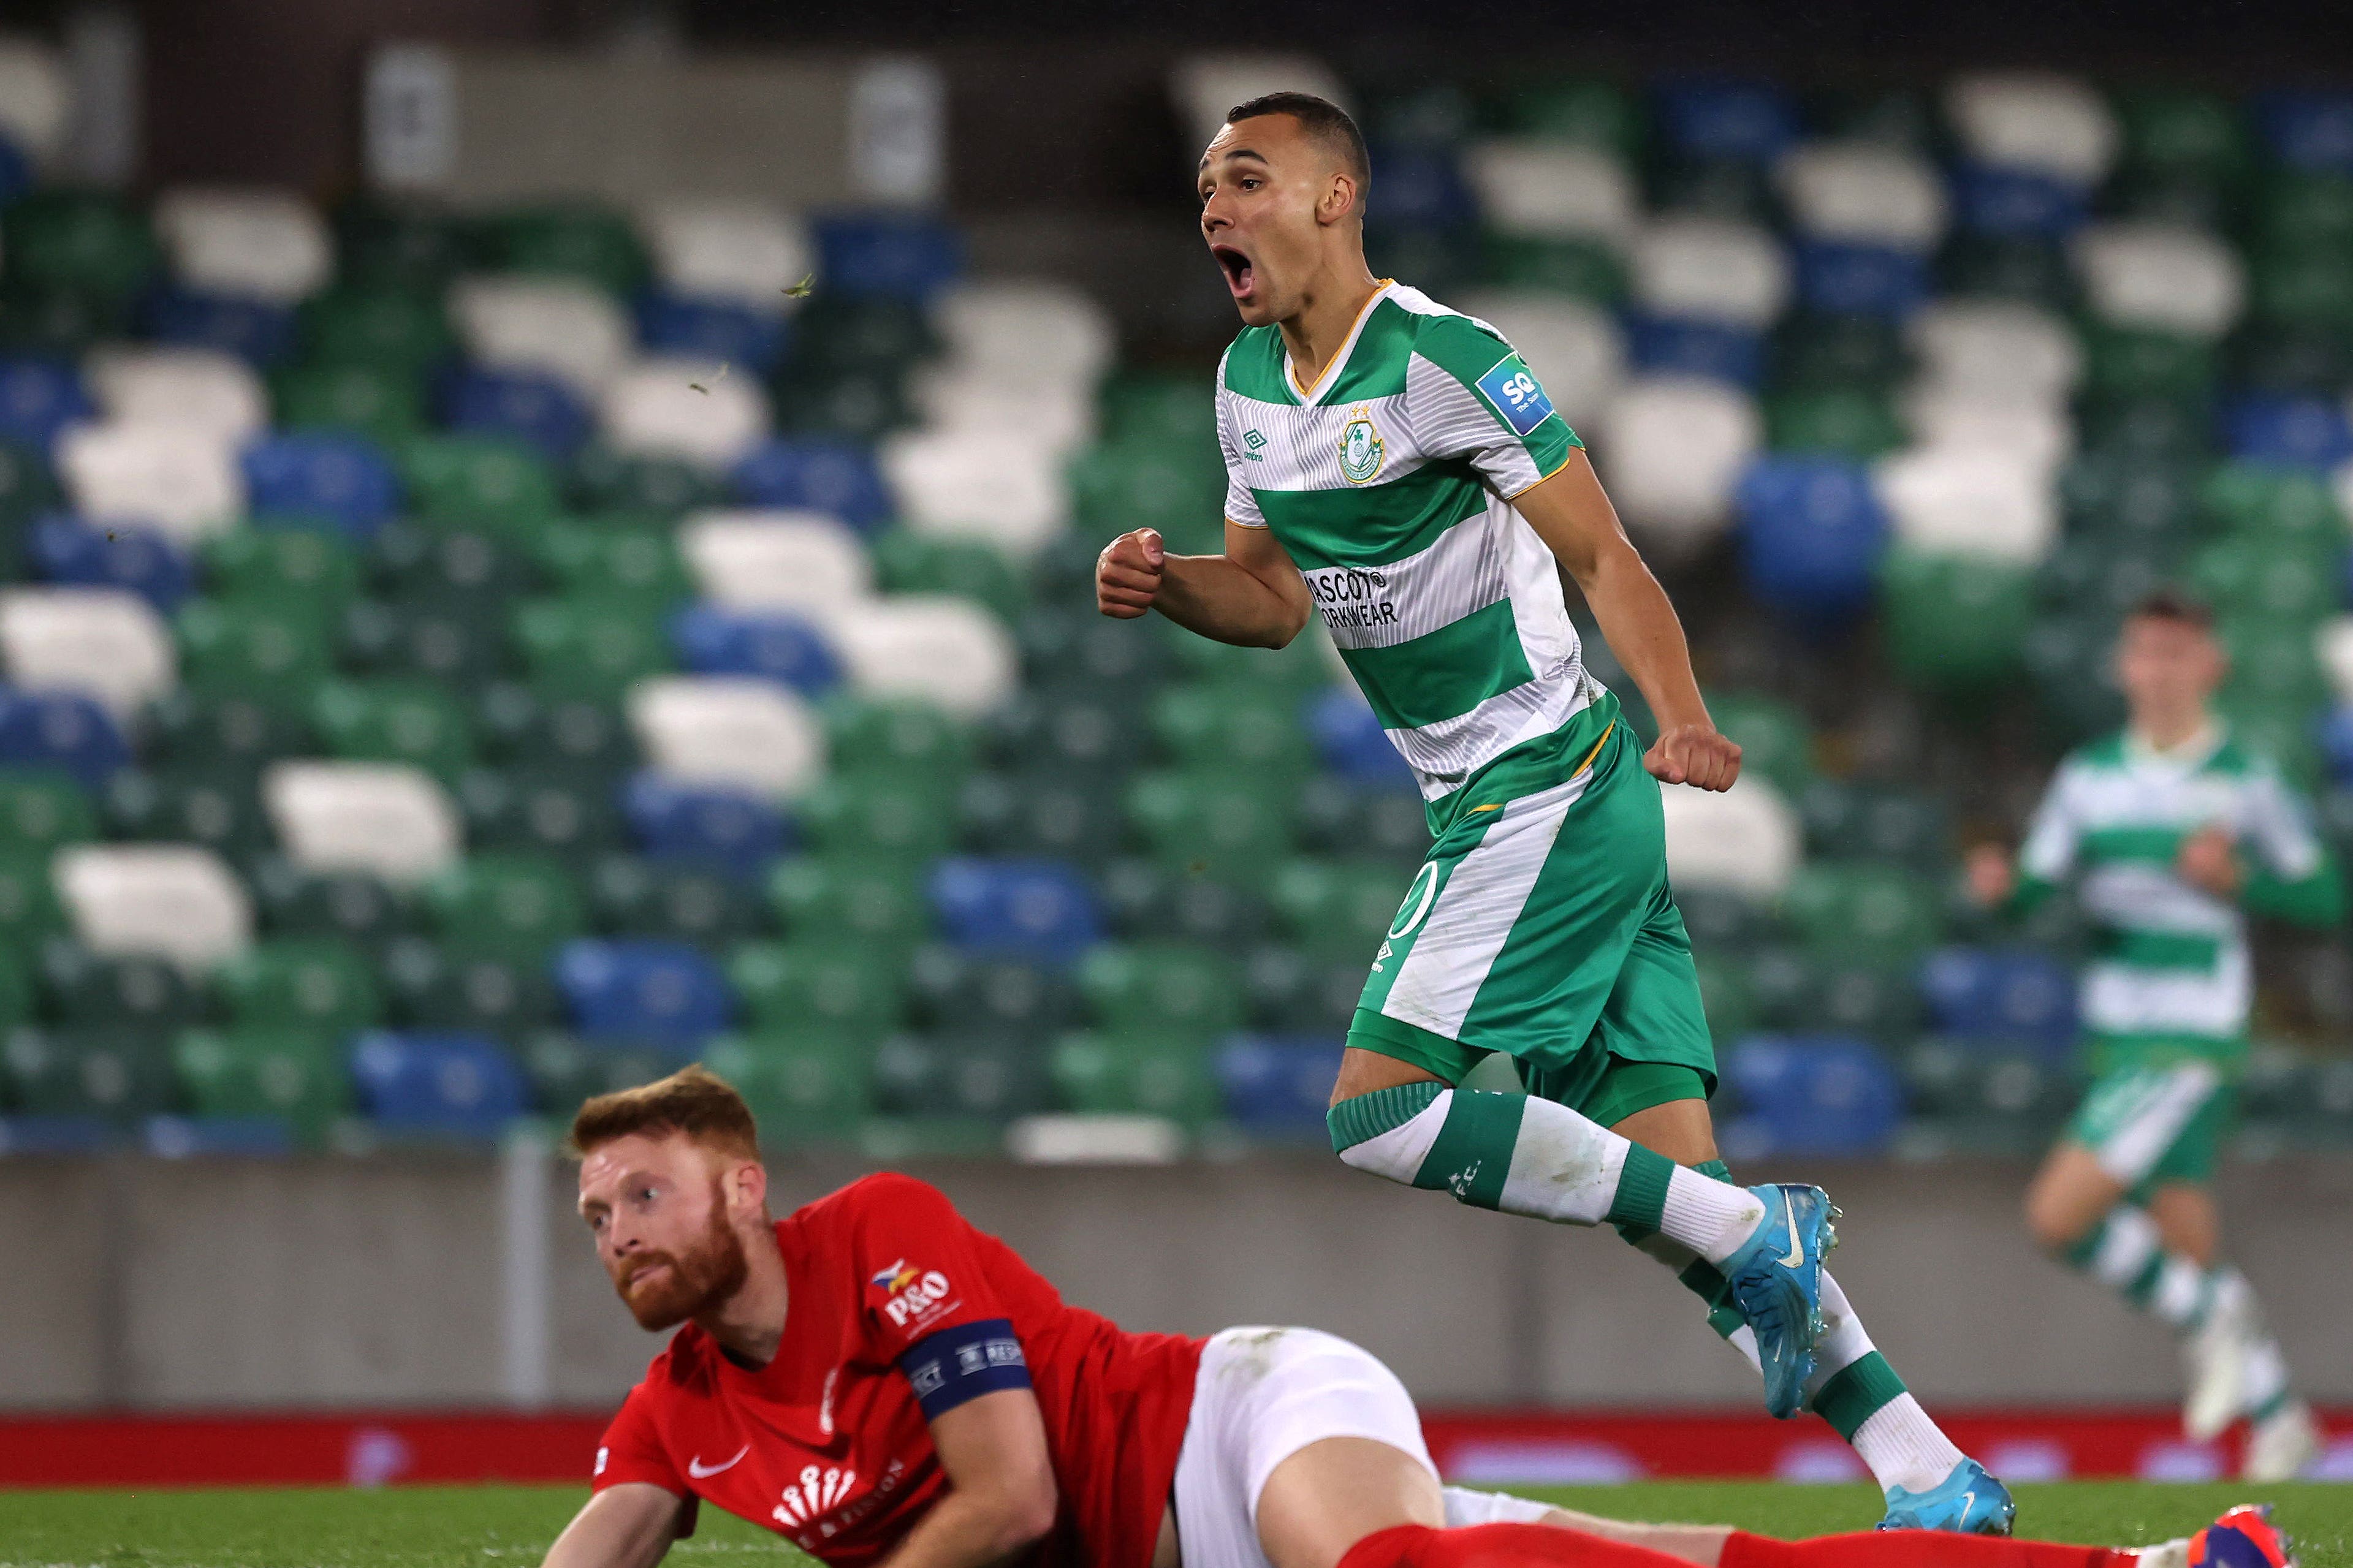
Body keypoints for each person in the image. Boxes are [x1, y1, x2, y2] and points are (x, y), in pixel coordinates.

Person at [1092, 89, 2006, 1531]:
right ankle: (1933, 1475)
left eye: (1248, 179)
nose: (1216, 206)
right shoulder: (1245, 387)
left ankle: (1758, 1230)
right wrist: (1171, 585)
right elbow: (1269, 601)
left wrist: (1685, 717)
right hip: (1532, 815)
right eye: (1208, 186)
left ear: (1336, 196)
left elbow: (1605, 555)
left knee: (1382, 1111)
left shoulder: (1449, 360)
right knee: (1688, 1207)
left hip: (1547, 786)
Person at [539, 1066, 2272, 1568]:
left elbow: (1012, 1500)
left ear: (743, 1188)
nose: (618, 1234)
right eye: (600, 1212)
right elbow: (598, 1551)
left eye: (646, 1194)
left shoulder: (879, 1232)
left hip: (1241, 1425)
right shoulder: (677, 1408)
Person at [1965, 589, 2341, 1482]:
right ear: (2124, 665)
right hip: (2117, 1031)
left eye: (2178, 654)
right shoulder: (2090, 776)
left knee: (2058, 1216)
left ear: (2212, 665)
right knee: (2187, 1248)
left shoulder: (2244, 775)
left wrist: (2238, 877)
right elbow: (2039, 887)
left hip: (2190, 1034)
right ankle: (2283, 1419)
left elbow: (2325, 895)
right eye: (2145, 653)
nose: (2160, 671)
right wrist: (2001, 890)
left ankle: (2216, 1324)